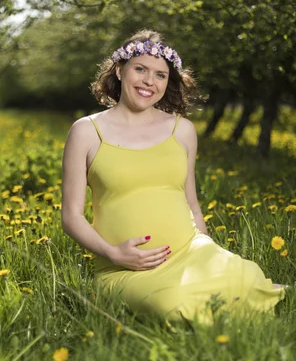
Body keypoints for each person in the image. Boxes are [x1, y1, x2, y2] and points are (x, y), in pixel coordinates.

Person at [61, 29, 284, 324]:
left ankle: (232, 286)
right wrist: (114, 254)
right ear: (119, 70)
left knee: (248, 274)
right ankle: (222, 300)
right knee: (172, 305)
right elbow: (71, 216)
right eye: (140, 69)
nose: (149, 82)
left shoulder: (183, 130)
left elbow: (191, 201)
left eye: (160, 75)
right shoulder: (86, 131)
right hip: (123, 268)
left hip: (190, 250)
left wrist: (210, 253)